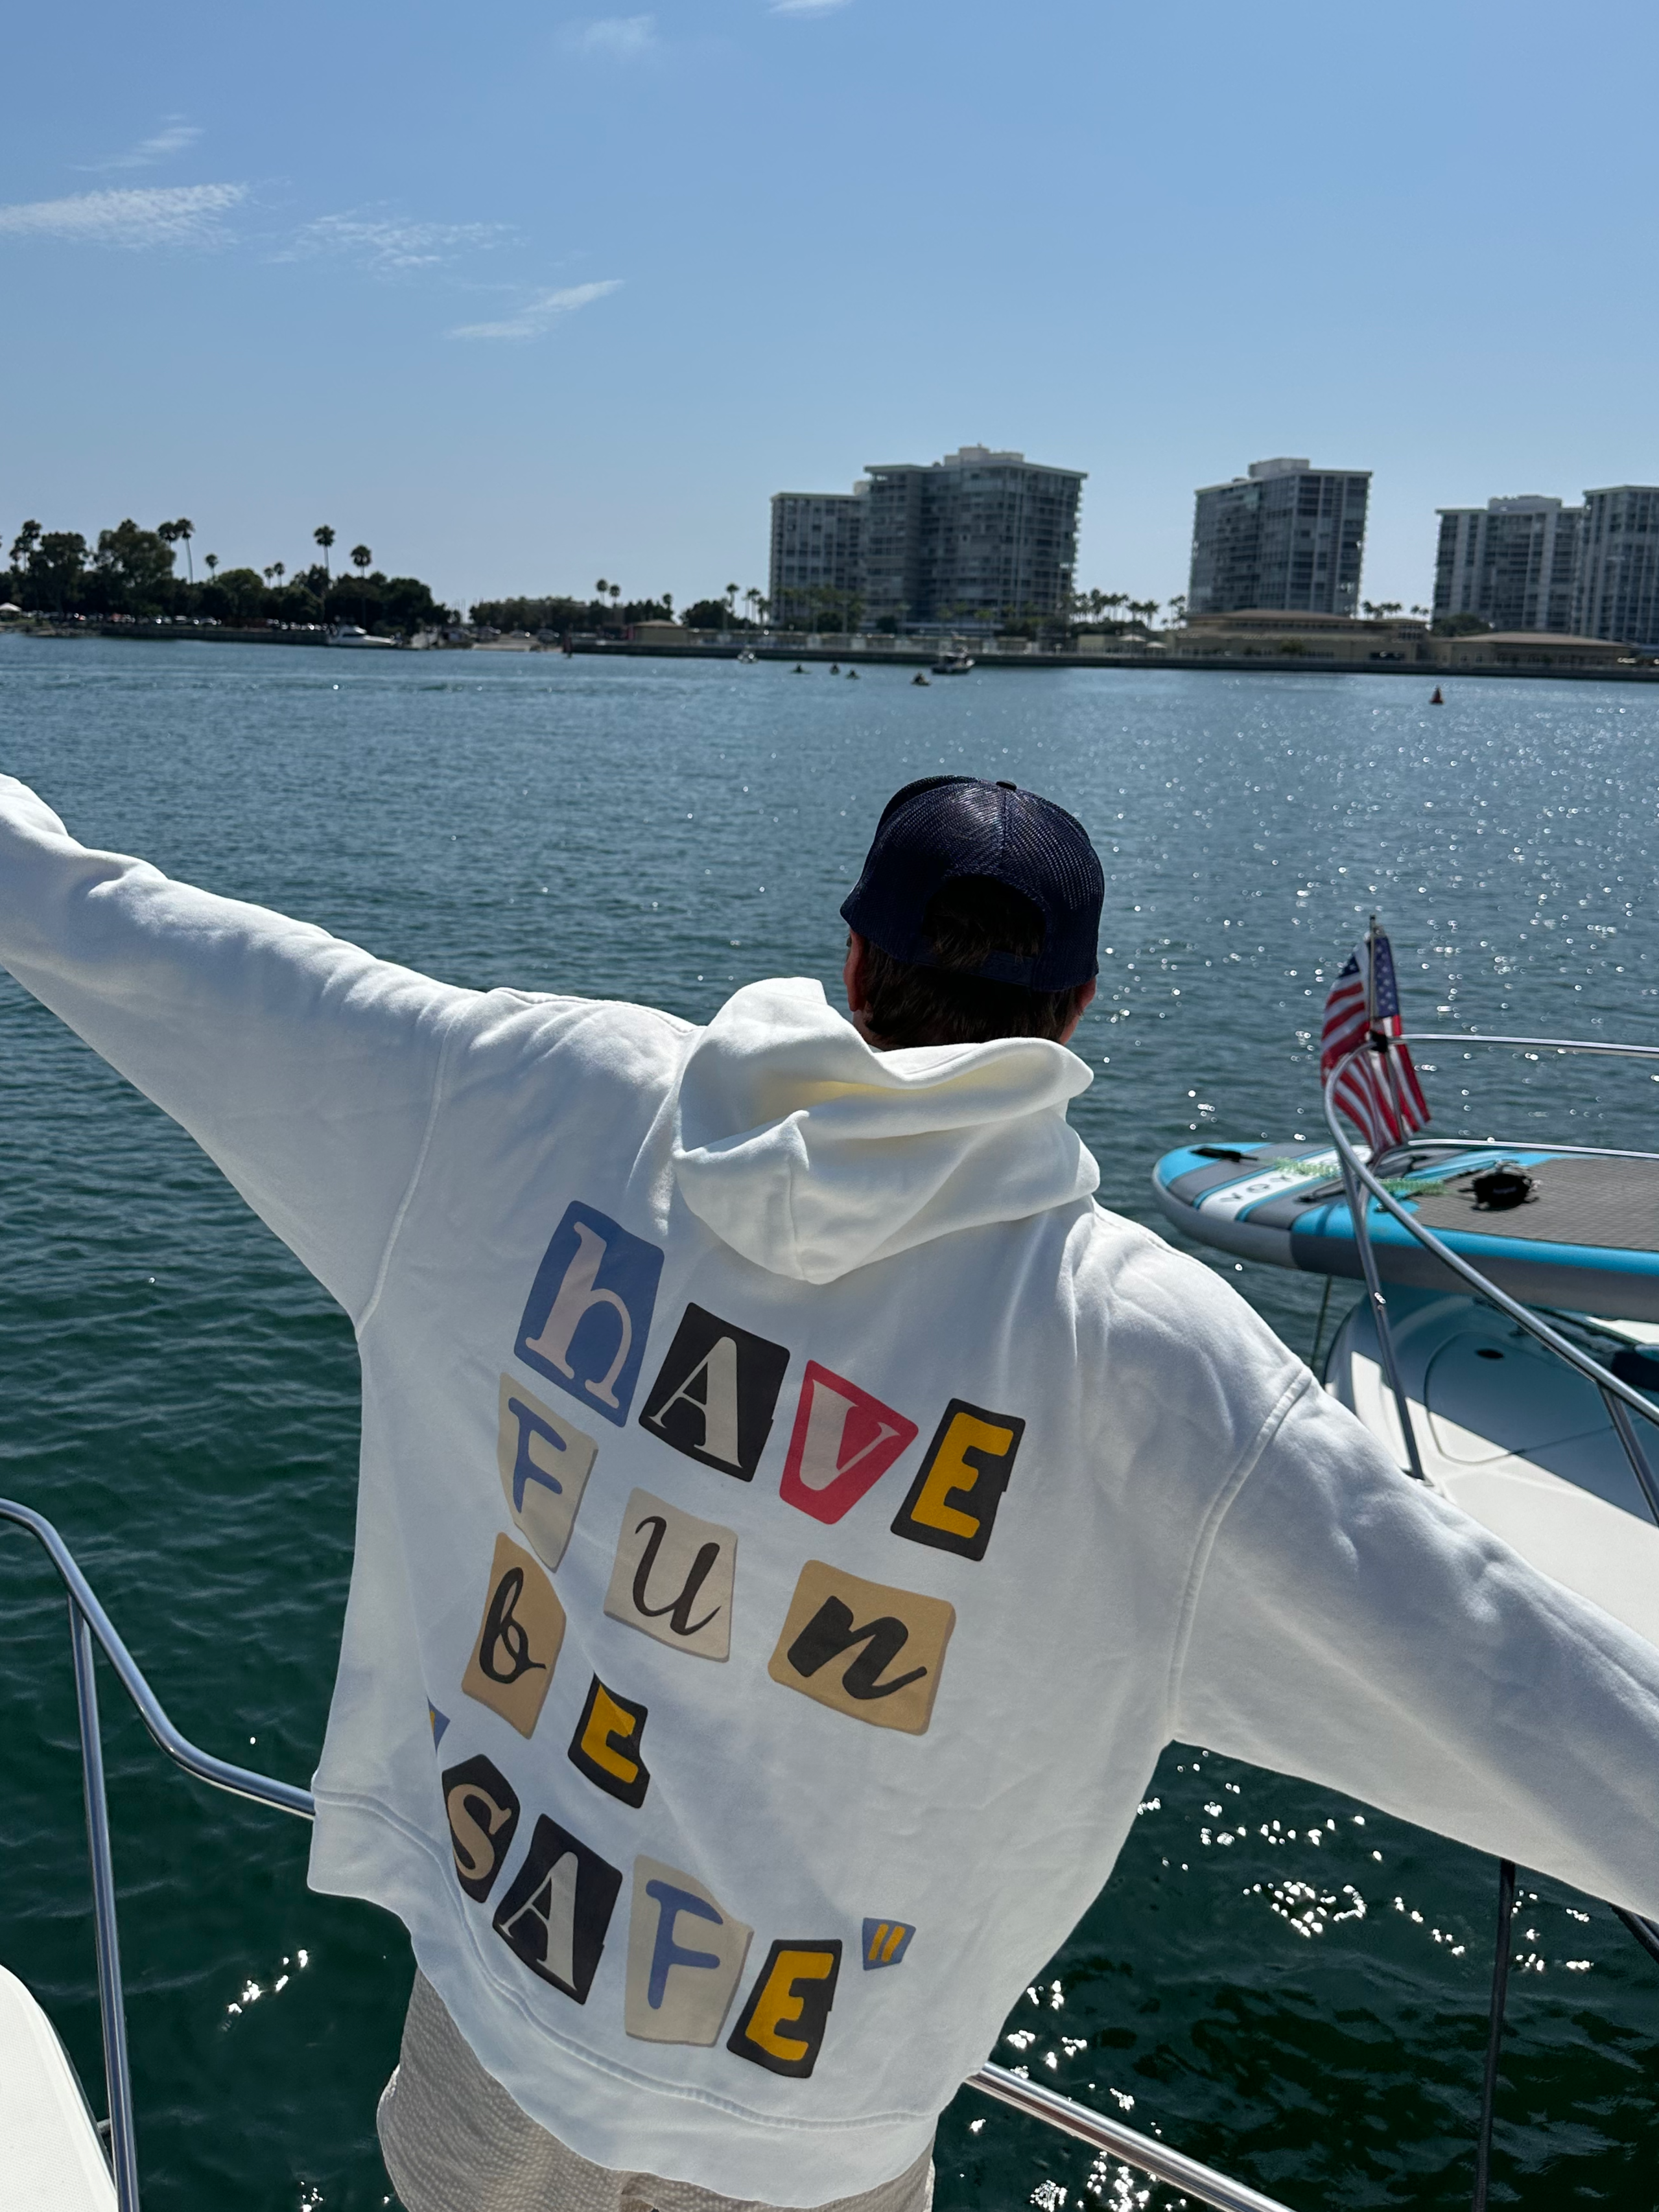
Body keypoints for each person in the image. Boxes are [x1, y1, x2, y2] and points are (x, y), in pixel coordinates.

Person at [2, 769, 1659, 2212]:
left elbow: (142, 938)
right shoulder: (1142, 1359)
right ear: (1075, 1019)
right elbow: (1512, 1672)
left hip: (501, 2028)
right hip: (813, 2132)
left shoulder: (523, 1099)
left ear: (851, 957)